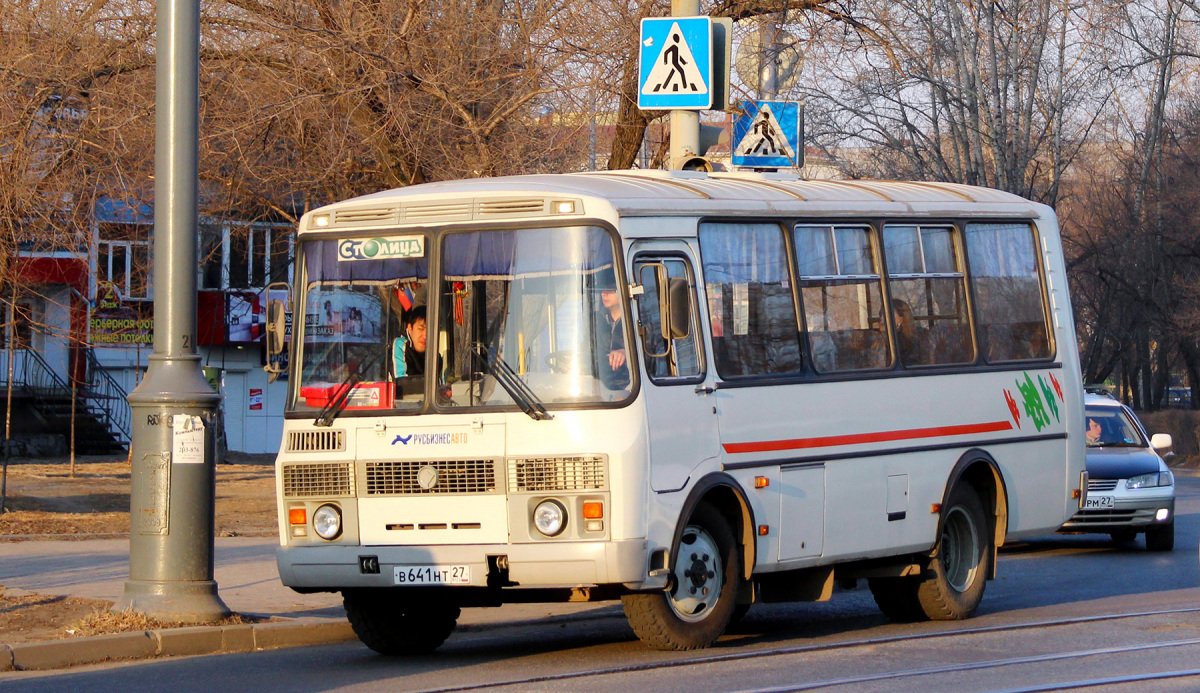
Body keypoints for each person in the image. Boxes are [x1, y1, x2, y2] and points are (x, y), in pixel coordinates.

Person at [594, 277, 629, 390]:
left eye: (610, 289)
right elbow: (587, 349)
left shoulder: (638, 320)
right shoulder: (595, 320)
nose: (604, 294)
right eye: (602, 290)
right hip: (598, 387)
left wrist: (626, 353)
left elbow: (651, 353)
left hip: (629, 388)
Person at [393, 306, 427, 378]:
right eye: (421, 329)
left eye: (430, 330)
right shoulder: (401, 346)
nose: (425, 336)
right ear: (410, 329)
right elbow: (403, 383)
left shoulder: (436, 357)